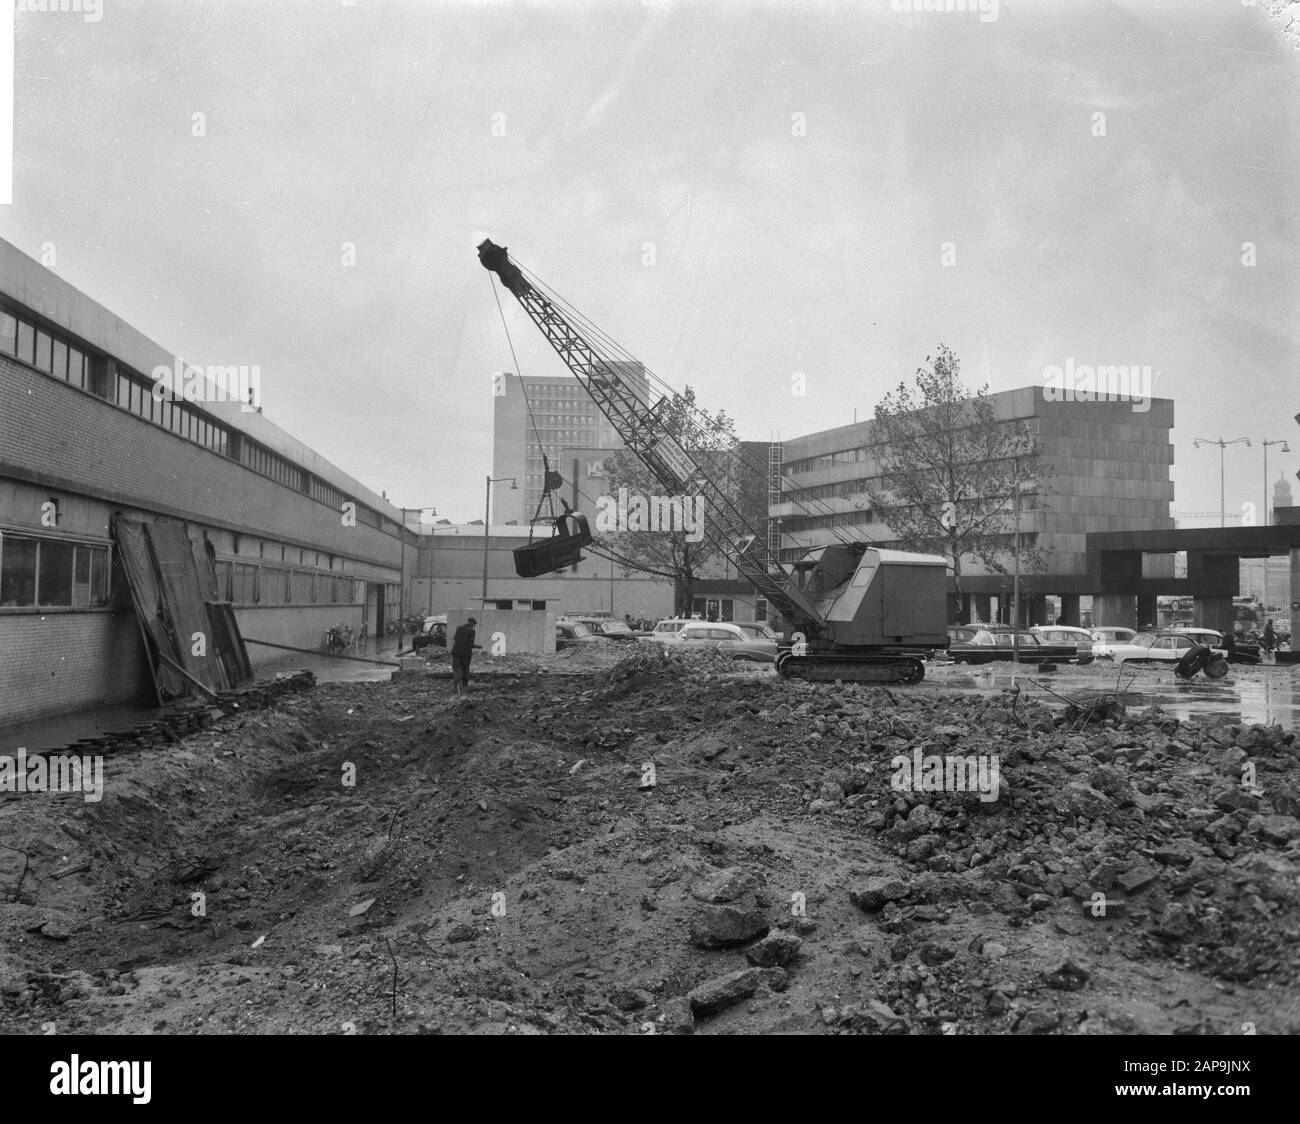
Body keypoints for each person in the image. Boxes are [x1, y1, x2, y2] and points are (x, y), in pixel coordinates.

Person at [450, 617, 481, 693]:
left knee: (457, 669)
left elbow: (455, 639)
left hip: (456, 652)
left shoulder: (459, 628)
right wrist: (477, 646)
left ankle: (455, 687)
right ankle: (464, 685)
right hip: (466, 654)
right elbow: (470, 644)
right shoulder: (472, 631)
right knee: (465, 669)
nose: (474, 626)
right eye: (474, 624)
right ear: (472, 623)